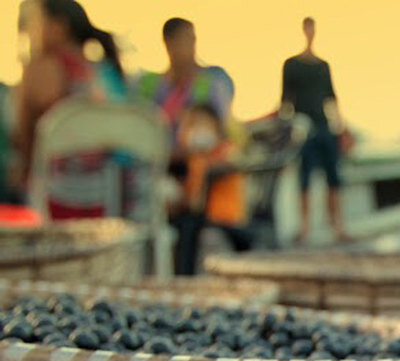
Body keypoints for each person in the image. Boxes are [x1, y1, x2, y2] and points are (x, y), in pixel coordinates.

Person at [13, 0, 127, 218]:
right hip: (110, 198)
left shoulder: (41, 67)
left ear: (58, 27)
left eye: (34, 22)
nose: (29, 32)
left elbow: (24, 137)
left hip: (55, 198)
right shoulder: (105, 72)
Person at [281, 16, 348, 244]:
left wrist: (342, 128)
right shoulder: (291, 65)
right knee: (305, 178)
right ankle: (305, 228)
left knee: (333, 177)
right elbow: (284, 102)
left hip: (324, 126)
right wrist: (284, 131)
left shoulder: (323, 66)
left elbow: (332, 98)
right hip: (303, 129)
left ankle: (338, 226)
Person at [136, 18, 233, 174]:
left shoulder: (212, 83)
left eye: (192, 39)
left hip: (200, 168)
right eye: (184, 39)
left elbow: (220, 133)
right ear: (168, 44)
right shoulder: (149, 85)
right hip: (156, 167)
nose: (191, 46)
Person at [172, 103, 248, 274]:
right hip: (201, 219)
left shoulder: (223, 152)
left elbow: (195, 203)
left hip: (222, 220)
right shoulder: (195, 159)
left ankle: (185, 277)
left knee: (188, 227)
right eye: (189, 124)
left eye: (199, 123)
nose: (193, 130)